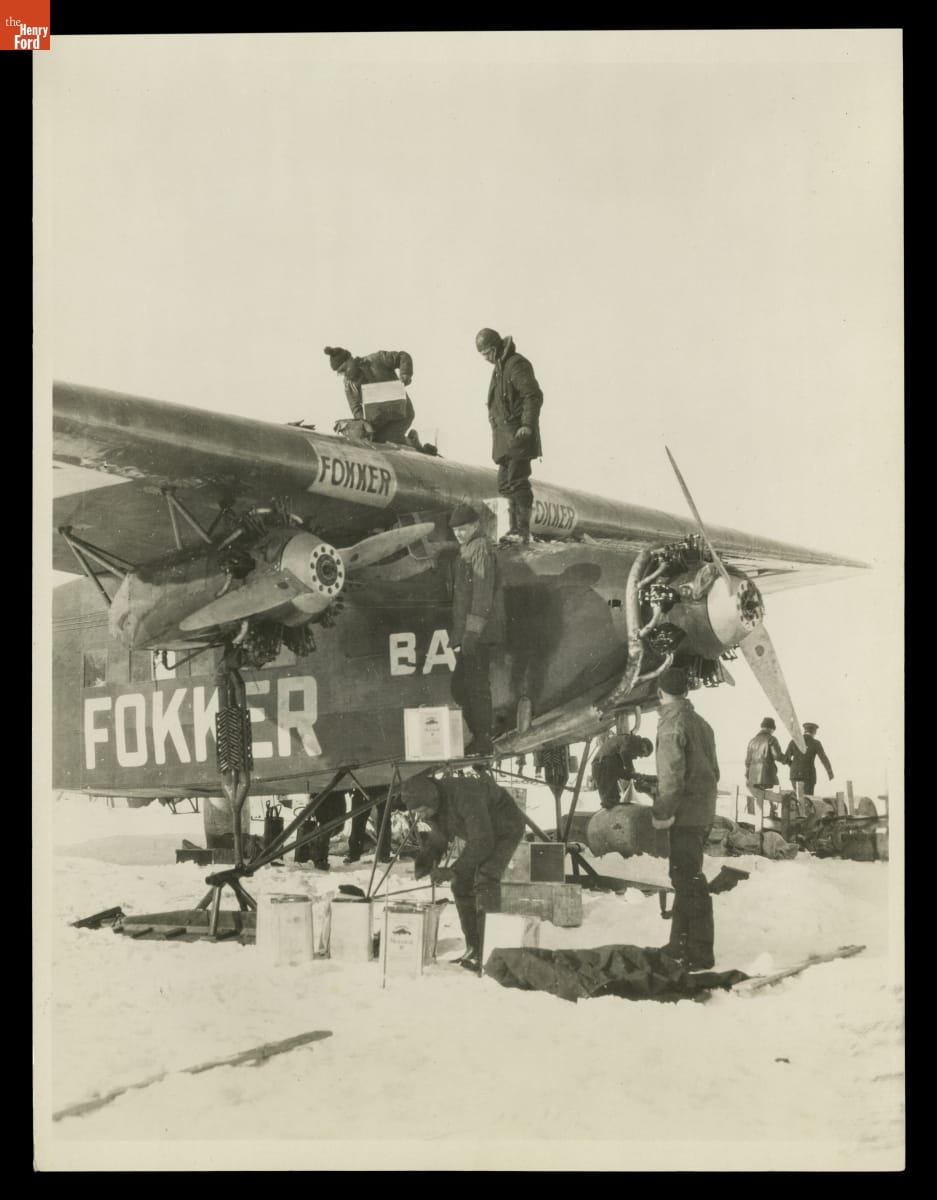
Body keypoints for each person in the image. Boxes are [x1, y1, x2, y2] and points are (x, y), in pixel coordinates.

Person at [401, 771, 526, 970]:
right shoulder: (434, 803)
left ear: (432, 799)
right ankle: (473, 947)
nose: (421, 816)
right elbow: (439, 836)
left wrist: (453, 870)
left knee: (486, 879)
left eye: (422, 810)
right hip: (480, 833)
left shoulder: (465, 795)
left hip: (505, 828)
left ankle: (491, 952)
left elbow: (483, 841)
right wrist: (427, 859)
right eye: (417, 812)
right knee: (460, 884)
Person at [651, 666, 720, 971]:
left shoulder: (671, 726)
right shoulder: (702, 724)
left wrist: (662, 813)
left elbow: (671, 779)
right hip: (702, 812)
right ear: (687, 691)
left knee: (689, 881)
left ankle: (700, 951)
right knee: (685, 877)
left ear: (659, 692)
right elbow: (714, 771)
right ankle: (679, 943)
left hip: (684, 815)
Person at [474, 328, 543, 545]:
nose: (485, 358)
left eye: (486, 353)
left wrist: (527, 425)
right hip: (504, 440)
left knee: (517, 481)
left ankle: (522, 531)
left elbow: (532, 395)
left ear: (494, 349)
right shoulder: (499, 369)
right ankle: (512, 529)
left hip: (518, 436)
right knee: (504, 484)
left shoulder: (516, 365)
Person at [448, 502, 506, 756]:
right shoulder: (467, 549)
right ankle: (478, 735)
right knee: (461, 686)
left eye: (463, 529)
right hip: (469, 633)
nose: (458, 534)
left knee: (476, 685)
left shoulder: (480, 548)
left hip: (478, 633)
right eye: (455, 531)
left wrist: (472, 632)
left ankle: (483, 738)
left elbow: (482, 593)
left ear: (475, 526)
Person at [323, 346, 415, 444]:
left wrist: (405, 374)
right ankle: (412, 441)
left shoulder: (376, 360)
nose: (345, 374)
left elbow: (402, 356)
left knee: (387, 440)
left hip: (402, 414)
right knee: (374, 442)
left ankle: (413, 442)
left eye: (344, 369)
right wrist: (364, 424)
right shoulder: (349, 385)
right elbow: (356, 408)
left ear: (350, 359)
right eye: (341, 373)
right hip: (380, 421)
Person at [744, 716, 786, 817]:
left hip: (753, 777)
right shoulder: (771, 739)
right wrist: (788, 760)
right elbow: (777, 756)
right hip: (767, 776)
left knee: (757, 799)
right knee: (773, 796)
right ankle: (772, 815)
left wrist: (748, 775)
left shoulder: (752, 741)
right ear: (771, 728)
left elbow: (747, 761)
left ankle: (754, 819)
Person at [294, 790, 347, 871]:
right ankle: (320, 860)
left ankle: (318, 857)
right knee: (324, 833)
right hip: (324, 806)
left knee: (332, 830)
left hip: (335, 805)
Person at [343, 786, 392, 865]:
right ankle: (354, 853)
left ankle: (384, 854)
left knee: (384, 818)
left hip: (382, 786)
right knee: (358, 818)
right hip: (362, 785)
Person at [784, 722, 834, 797]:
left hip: (795, 775)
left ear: (804, 730)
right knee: (808, 799)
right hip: (808, 776)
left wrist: (793, 765)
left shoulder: (794, 741)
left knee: (797, 798)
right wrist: (830, 772)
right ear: (814, 732)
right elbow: (823, 758)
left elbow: (785, 758)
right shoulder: (816, 743)